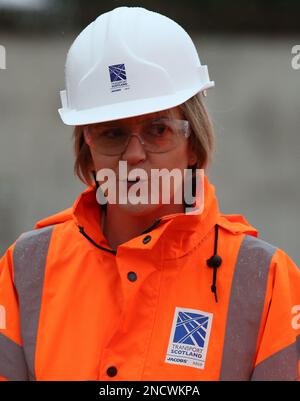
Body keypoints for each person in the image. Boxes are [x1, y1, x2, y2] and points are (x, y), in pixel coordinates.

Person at [0, 6, 299, 381]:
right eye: (113, 133)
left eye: (159, 130)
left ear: (194, 143)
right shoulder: (27, 269)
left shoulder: (264, 279)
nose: (135, 154)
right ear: (87, 149)